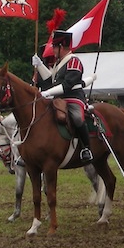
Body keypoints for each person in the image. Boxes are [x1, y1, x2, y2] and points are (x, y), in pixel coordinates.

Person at [37, 30, 93, 163]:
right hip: (58, 99)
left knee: (78, 118)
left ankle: (86, 148)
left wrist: (48, 93)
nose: (53, 51)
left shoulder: (74, 62)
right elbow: (50, 80)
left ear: (61, 47)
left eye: (55, 47)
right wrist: (39, 65)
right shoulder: (58, 63)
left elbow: (67, 85)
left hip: (73, 97)